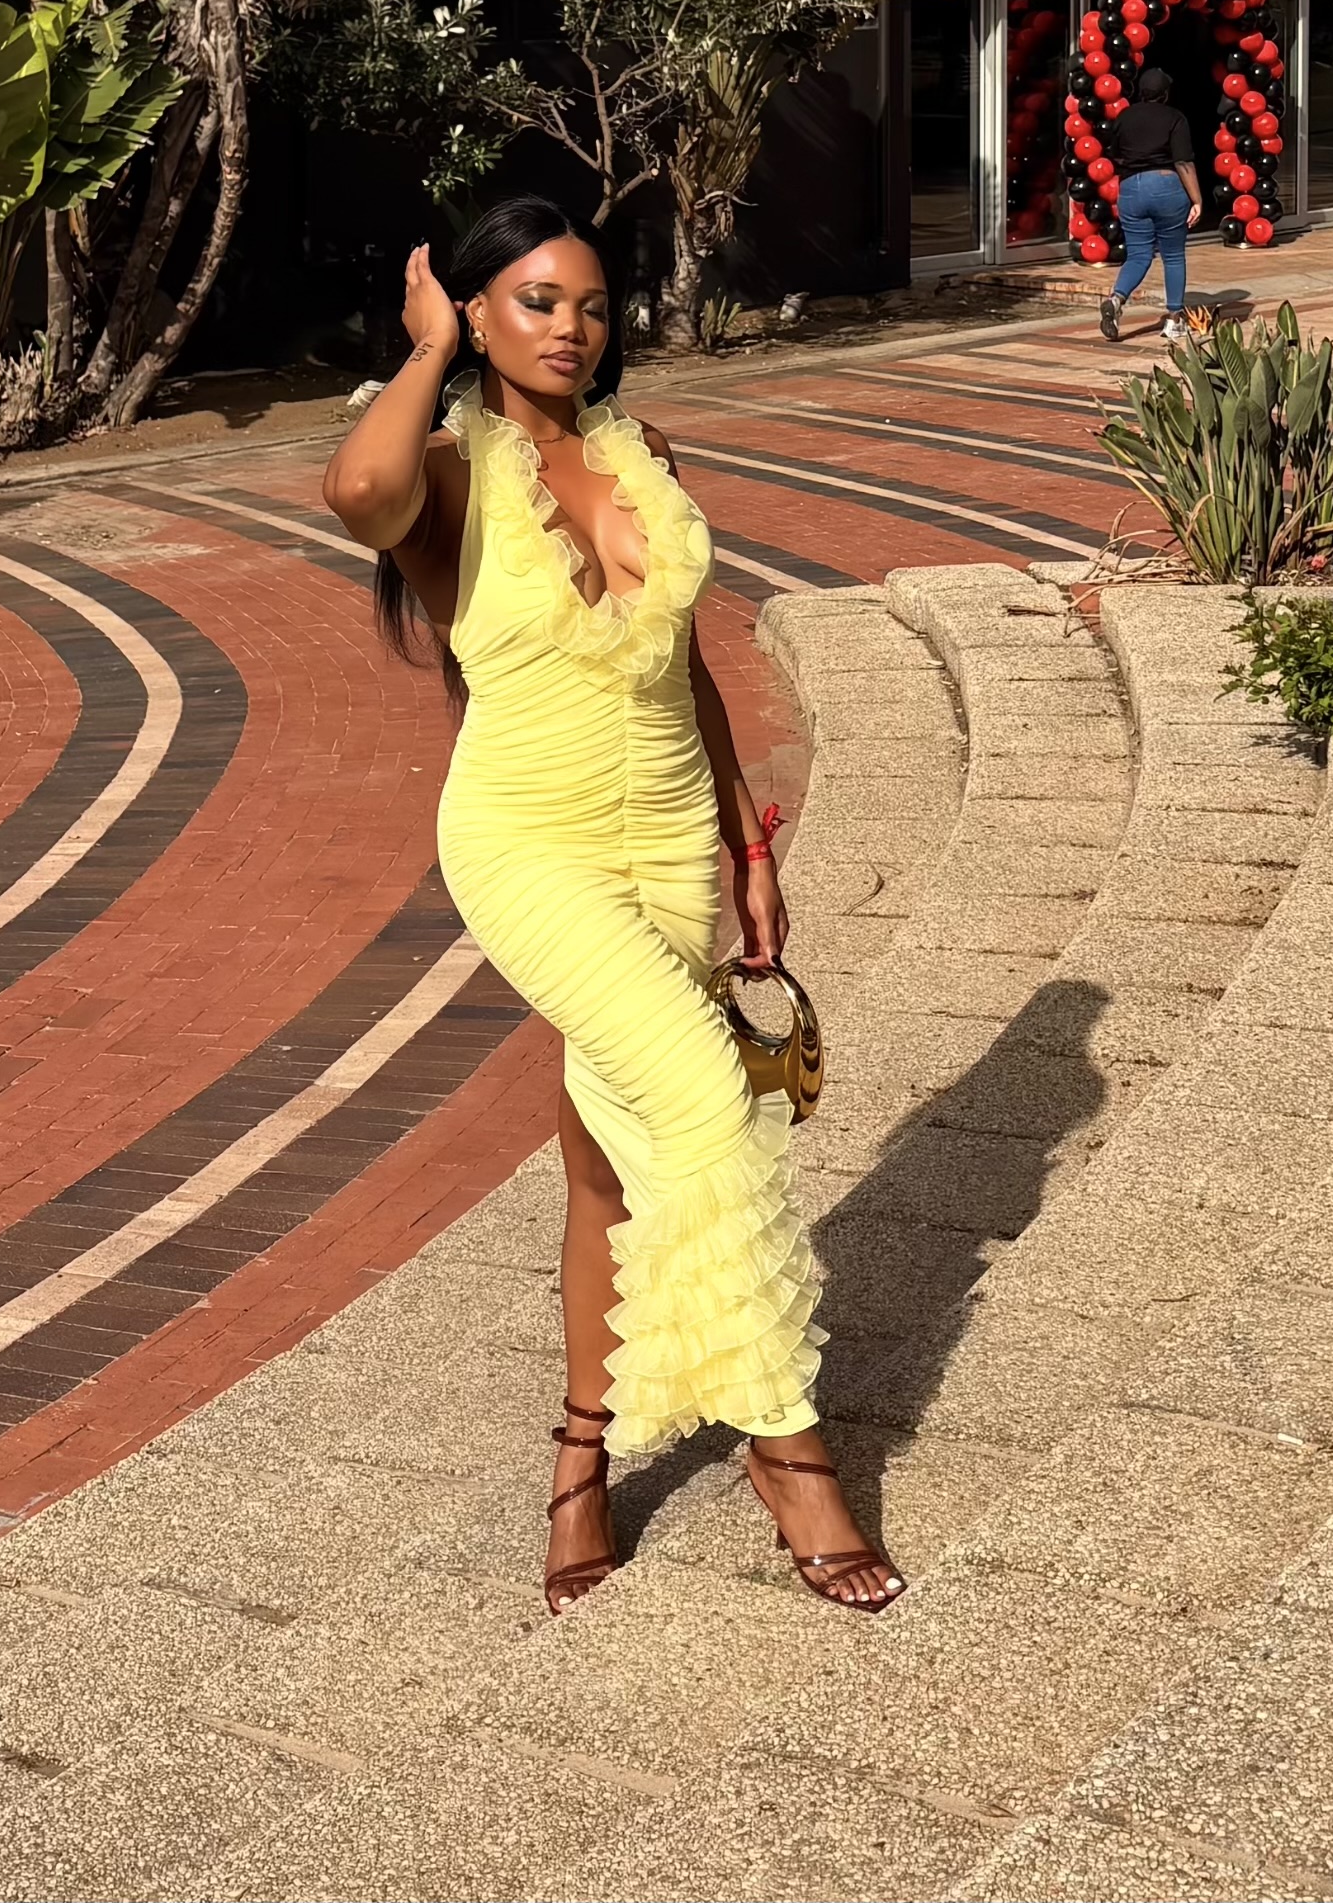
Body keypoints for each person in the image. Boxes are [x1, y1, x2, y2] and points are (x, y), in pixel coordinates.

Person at [323, 197, 902, 1616]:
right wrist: (423, 352)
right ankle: (787, 1447)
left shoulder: (644, 455)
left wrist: (746, 838)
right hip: (529, 839)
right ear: (474, 311)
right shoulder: (445, 475)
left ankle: (579, 1458)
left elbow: (683, 662)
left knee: (602, 1159)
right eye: (534, 299)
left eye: (588, 302)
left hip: (671, 839)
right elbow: (355, 494)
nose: (570, 326)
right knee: (708, 1105)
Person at [1098, 65, 1203, 343]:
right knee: (1173, 255)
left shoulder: (1124, 117)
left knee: (1138, 254)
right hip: (1166, 186)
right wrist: (1197, 199)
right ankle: (1174, 320)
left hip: (1131, 189)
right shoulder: (1175, 118)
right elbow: (1183, 162)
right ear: (1165, 94)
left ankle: (1116, 299)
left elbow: (1115, 155)